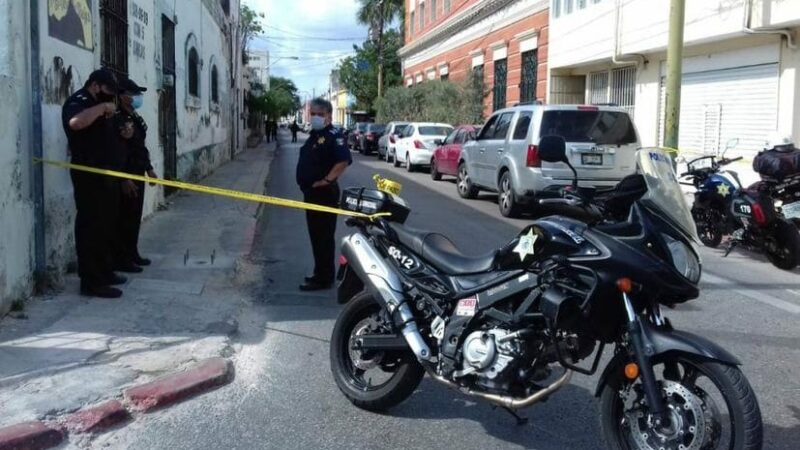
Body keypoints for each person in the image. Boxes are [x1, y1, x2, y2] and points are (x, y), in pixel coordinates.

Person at [62, 68, 126, 298]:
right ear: (96, 85)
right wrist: (100, 109)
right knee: (91, 228)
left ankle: (105, 272)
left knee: (106, 226)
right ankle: (91, 282)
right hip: (89, 175)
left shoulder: (100, 105)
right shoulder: (79, 101)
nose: (111, 96)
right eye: (108, 90)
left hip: (105, 175)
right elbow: (76, 123)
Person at [296, 98, 352, 291]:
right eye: (313, 114)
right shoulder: (316, 134)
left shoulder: (333, 135)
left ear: (329, 115)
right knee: (317, 236)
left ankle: (323, 278)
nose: (316, 117)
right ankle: (322, 272)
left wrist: (327, 180)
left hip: (324, 193)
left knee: (323, 237)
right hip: (313, 193)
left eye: (321, 114)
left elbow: (343, 160)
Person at [114, 78, 157, 271]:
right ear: (123, 97)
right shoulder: (118, 118)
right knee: (125, 218)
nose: (138, 98)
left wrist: (149, 168)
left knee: (134, 216)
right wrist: (124, 177)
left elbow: (140, 146)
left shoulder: (135, 117)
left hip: (138, 172)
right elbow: (118, 151)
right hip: (128, 175)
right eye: (134, 94)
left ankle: (132, 253)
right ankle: (122, 259)